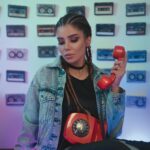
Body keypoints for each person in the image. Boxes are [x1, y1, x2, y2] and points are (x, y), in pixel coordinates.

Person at [15, 13, 127, 150]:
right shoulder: (45, 75)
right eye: (61, 42)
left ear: (87, 40)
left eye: (73, 40)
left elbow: (114, 133)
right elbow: (29, 128)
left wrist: (115, 86)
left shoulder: (101, 79)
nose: (66, 47)